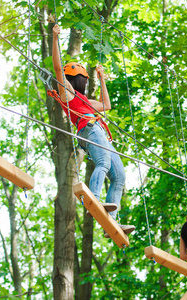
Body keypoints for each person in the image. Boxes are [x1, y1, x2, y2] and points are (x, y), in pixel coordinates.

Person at [52, 24, 135, 237]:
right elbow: (58, 69)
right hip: (89, 130)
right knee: (103, 164)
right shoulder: (68, 95)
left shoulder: (86, 100)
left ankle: (112, 222)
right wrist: (55, 38)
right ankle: (94, 198)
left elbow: (106, 106)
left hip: (101, 133)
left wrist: (101, 79)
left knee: (120, 177)